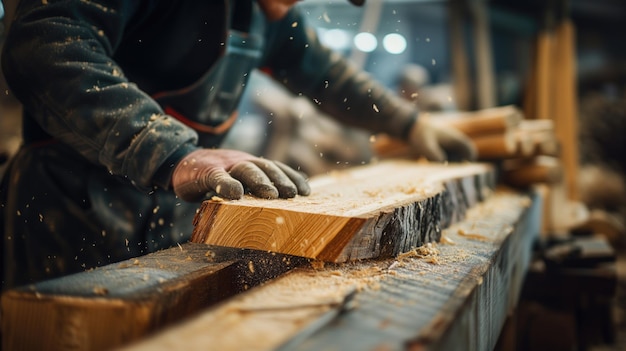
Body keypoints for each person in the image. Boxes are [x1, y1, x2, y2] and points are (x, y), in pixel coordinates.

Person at [0, 0, 476, 290]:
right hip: (66, 211)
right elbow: (44, 44)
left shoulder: (267, 14)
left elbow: (327, 74)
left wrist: (409, 123)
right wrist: (166, 148)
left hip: (169, 211)